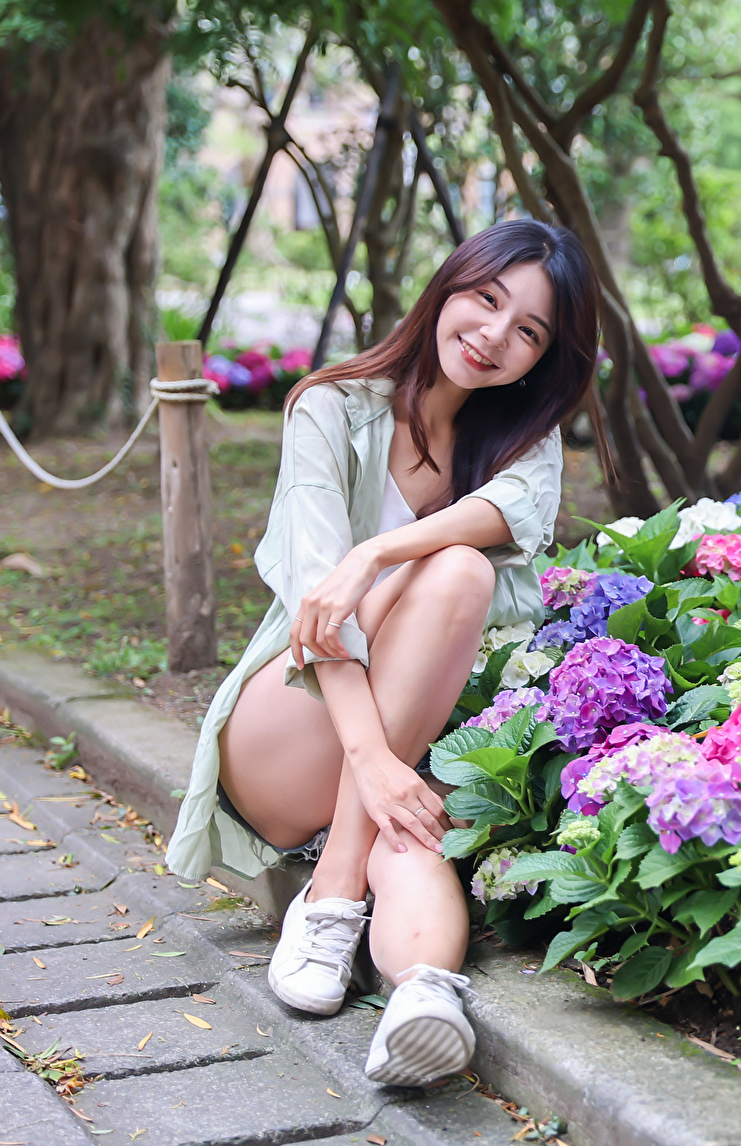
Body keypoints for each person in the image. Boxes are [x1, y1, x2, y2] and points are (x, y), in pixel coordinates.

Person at [164, 220, 596, 1086]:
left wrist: (375, 552)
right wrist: (370, 759)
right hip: (292, 730)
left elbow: (514, 511)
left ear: (542, 360)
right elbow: (320, 613)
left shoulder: (522, 439)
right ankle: (332, 883)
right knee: (458, 573)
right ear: (450, 284)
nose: (493, 336)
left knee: (413, 838)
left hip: (404, 738)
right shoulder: (330, 407)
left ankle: (422, 998)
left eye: (527, 332)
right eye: (486, 299)